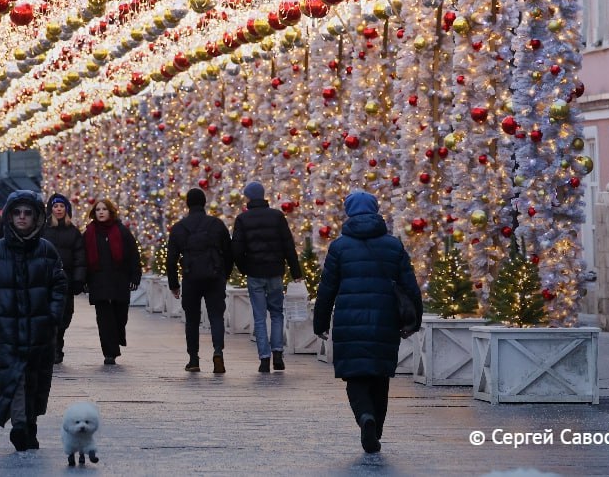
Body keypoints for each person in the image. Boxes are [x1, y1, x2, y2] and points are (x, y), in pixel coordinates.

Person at [312, 191, 422, 454]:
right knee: (380, 377)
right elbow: (410, 285)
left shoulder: (339, 247)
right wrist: (414, 319)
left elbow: (327, 288)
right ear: (375, 211)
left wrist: (320, 322)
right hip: (385, 319)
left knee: (355, 376)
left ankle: (364, 417)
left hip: (349, 320)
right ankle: (376, 429)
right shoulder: (393, 245)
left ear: (349, 212)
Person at [0, 190, 68, 452]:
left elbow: (59, 286)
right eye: (17, 212)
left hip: (40, 333)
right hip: (7, 332)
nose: (22, 217)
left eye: (28, 213)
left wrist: (52, 315)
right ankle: (19, 426)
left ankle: (30, 423)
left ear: (37, 216)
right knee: (13, 380)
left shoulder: (47, 250)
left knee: (36, 382)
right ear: (9, 216)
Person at [231, 180, 301, 373]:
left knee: (259, 316)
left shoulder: (242, 219)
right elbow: (288, 246)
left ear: (248, 197)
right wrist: (296, 272)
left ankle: (264, 358)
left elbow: (236, 249)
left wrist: (245, 268)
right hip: (275, 271)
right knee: (277, 313)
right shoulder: (277, 217)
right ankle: (278, 353)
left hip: (255, 273)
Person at [166, 188, 232, 374]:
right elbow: (229, 252)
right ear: (204, 203)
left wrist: (174, 284)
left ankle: (193, 359)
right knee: (216, 316)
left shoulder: (180, 228)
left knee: (192, 320)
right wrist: (224, 274)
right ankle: (218, 351)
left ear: (187, 204)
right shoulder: (217, 224)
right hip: (214, 277)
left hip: (191, 278)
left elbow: (171, 259)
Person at [81, 198, 142, 366]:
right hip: (98, 281)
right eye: (98, 209)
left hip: (119, 281)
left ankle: (117, 337)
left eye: (104, 209)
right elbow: (83, 259)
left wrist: (135, 277)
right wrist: (83, 280)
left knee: (120, 317)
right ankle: (109, 352)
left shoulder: (122, 231)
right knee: (104, 319)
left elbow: (133, 255)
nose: (101, 212)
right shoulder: (89, 233)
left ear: (110, 212)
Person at [43, 193, 87, 364]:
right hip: (46, 281)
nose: (59, 209)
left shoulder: (74, 232)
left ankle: (58, 344)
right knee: (47, 315)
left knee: (65, 315)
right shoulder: (44, 230)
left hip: (66, 281)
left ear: (66, 209)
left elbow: (80, 258)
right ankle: (51, 349)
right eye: (55, 206)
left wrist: (78, 280)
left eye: (62, 206)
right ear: (51, 209)